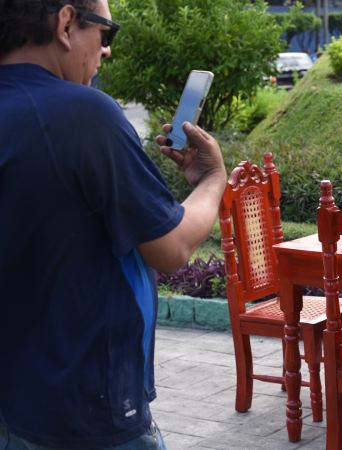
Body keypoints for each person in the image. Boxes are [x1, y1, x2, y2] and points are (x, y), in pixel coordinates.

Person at [0, 1, 226, 448]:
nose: (106, 50)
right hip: (86, 409)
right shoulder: (82, 114)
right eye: (106, 33)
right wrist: (213, 179)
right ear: (66, 23)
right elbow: (171, 247)